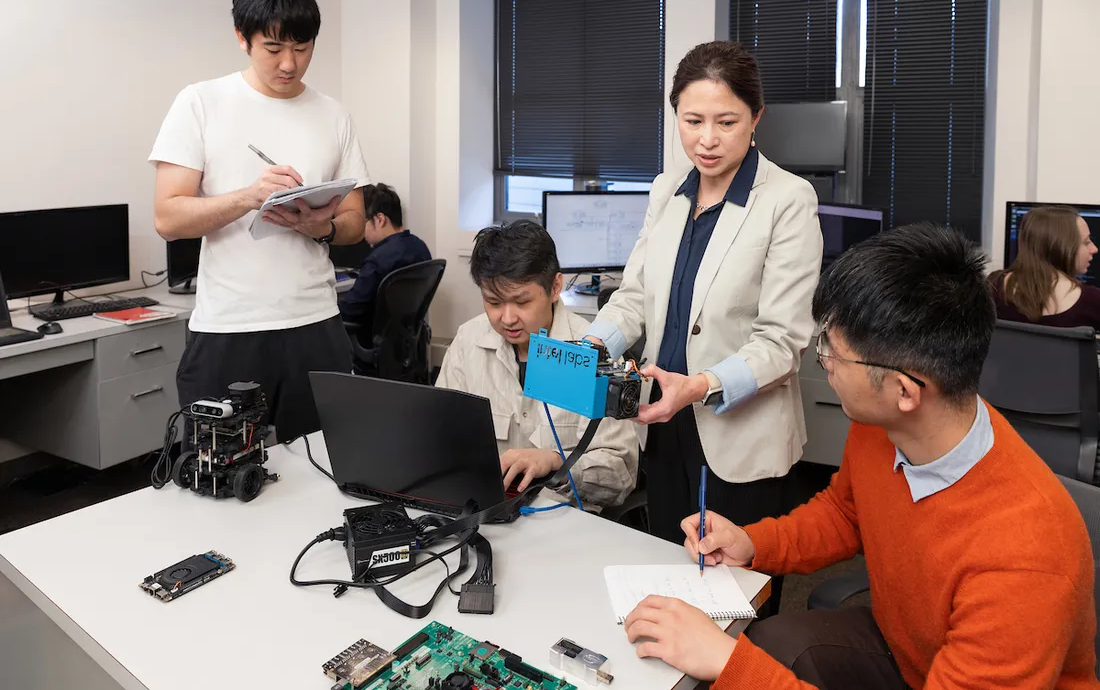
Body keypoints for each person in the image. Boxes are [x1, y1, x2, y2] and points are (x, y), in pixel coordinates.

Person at [622, 224, 1098, 689]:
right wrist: (753, 543)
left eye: (832, 351)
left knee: (736, 662)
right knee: (765, 642)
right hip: (907, 651)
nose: (820, 359)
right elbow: (845, 512)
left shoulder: (1024, 557)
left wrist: (729, 663)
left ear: (905, 390)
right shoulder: (888, 424)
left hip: (955, 670)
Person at [585, 40, 823, 607]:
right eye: (692, 121)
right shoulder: (668, 188)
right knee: (670, 577)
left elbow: (783, 341)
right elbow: (636, 295)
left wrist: (702, 385)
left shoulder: (788, 200)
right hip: (664, 425)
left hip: (740, 433)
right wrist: (594, 343)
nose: (707, 139)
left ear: (756, 118)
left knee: (737, 600)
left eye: (726, 121)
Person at [149, 0, 371, 443]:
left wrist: (322, 227)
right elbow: (167, 217)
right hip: (230, 326)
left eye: (303, 47)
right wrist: (249, 197)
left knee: (324, 468)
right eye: (274, 49)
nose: (289, 63)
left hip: (316, 322)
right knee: (217, 471)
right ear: (242, 38)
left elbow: (355, 222)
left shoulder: (334, 115)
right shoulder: (200, 103)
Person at [436, 221, 638, 511]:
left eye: (521, 302)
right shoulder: (469, 340)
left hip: (563, 522)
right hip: (485, 514)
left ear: (555, 287)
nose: (507, 318)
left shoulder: (591, 352)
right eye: (493, 302)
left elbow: (621, 472)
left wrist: (557, 463)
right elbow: (442, 440)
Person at [338, 183, 432, 337]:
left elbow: (350, 310)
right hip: (405, 342)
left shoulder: (378, 260)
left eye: (363, 223)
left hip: (371, 341)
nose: (361, 232)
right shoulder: (420, 247)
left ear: (380, 219)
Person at [990, 205, 1100, 328]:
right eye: (1086, 242)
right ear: (1061, 247)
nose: (1094, 249)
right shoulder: (1094, 301)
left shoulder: (993, 286)